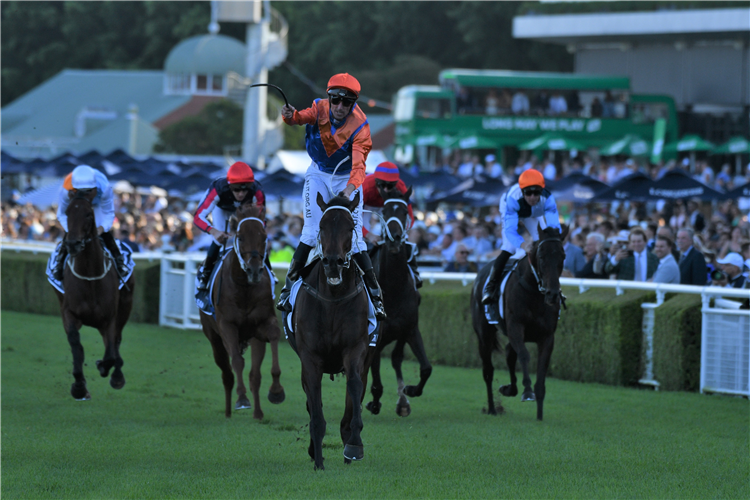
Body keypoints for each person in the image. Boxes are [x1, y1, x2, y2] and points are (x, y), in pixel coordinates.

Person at [277, 73, 385, 319]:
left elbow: (359, 168)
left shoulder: (361, 126)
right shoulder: (319, 107)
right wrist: (289, 115)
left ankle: (376, 296)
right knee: (311, 231)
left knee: (356, 238)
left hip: (347, 178)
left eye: (346, 103)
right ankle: (288, 288)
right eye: (335, 100)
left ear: (353, 104)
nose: (338, 107)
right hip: (317, 174)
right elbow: (298, 118)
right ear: (329, 98)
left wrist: (347, 192)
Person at [481, 169, 561, 319]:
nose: (532, 197)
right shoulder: (512, 199)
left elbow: (553, 227)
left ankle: (553, 288)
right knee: (510, 247)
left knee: (544, 245)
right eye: (528, 193)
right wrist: (523, 245)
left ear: (541, 191)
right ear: (522, 191)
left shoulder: (548, 199)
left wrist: (554, 241)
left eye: (536, 193)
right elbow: (511, 231)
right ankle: (490, 287)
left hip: (533, 214)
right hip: (512, 210)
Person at [193, 161, 267, 291]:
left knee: (255, 236)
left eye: (245, 190)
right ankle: (206, 273)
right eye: (236, 189)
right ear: (229, 186)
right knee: (219, 236)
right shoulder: (218, 189)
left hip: (244, 209)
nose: (240, 194)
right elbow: (198, 217)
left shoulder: (257, 192)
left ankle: (267, 269)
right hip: (221, 208)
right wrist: (213, 231)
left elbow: (262, 220)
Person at [52, 165, 128, 281]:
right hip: (77, 206)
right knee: (73, 232)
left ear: (94, 187)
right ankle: (59, 263)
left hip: (97, 206)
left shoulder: (104, 186)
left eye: (88, 191)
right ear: (74, 188)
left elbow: (109, 213)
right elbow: (61, 214)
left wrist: (101, 228)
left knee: (102, 231)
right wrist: (72, 229)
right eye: (80, 191)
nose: (84, 194)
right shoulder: (67, 188)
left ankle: (119, 261)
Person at [361, 161, 422, 288]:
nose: (385, 189)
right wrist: (368, 235)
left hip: (387, 206)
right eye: (381, 185)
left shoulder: (401, 186)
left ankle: (414, 273)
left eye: (390, 186)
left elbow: (410, 216)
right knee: (360, 237)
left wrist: (402, 232)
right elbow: (354, 219)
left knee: (401, 237)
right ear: (375, 181)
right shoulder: (365, 186)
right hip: (366, 206)